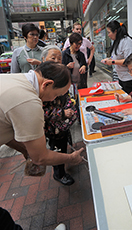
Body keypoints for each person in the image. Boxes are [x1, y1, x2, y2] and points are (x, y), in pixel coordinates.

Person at [0, 61, 84, 169]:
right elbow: (40, 158)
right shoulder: (28, 102)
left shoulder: (16, 79)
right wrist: (71, 158)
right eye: (56, 95)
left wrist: (26, 151)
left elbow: (4, 126)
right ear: (47, 84)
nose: (54, 99)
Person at [41, 45, 78, 185]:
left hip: (63, 124)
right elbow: (41, 111)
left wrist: (70, 107)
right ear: (43, 60)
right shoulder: (41, 81)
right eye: (53, 58)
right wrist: (62, 113)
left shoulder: (59, 76)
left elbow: (67, 96)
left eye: (59, 58)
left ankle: (63, 163)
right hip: (51, 127)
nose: (57, 61)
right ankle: (59, 174)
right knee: (56, 148)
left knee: (63, 145)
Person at [101, 21, 132, 94]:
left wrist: (112, 62)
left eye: (109, 32)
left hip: (128, 78)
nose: (108, 35)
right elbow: (115, 56)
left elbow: (129, 61)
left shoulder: (127, 41)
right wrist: (109, 59)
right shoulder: (117, 41)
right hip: (120, 77)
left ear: (115, 31)